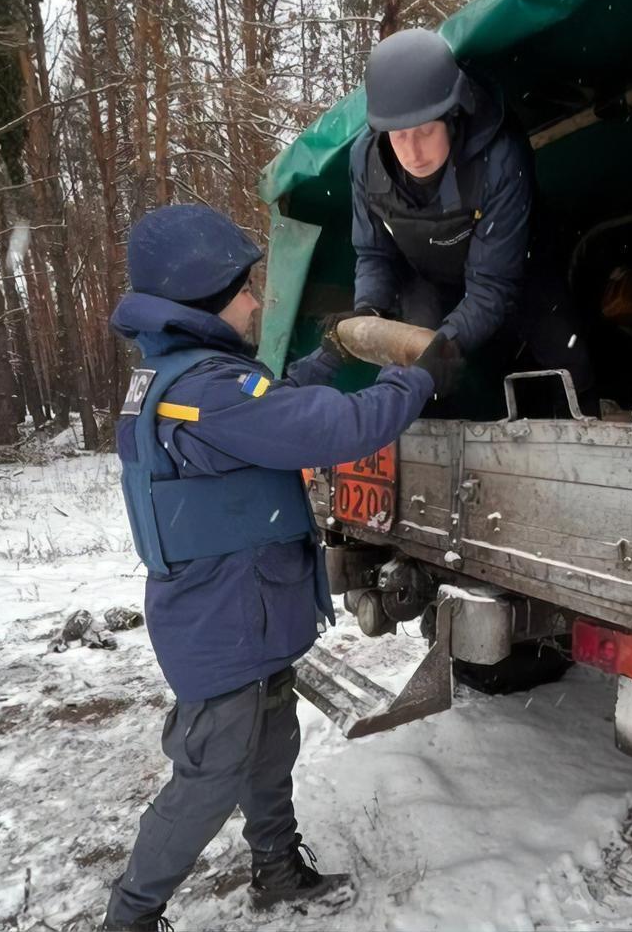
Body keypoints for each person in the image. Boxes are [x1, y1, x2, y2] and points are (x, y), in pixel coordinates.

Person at [101, 204, 458, 931]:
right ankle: (130, 915)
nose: (258, 301)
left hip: (239, 607)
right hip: (224, 617)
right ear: (200, 297)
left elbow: (261, 405)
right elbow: (337, 427)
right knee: (210, 774)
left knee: (271, 741)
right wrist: (416, 377)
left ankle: (276, 867)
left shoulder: (181, 377)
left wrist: (323, 361)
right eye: (243, 289)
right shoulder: (205, 393)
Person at [325, 27, 593, 415]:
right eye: (399, 136)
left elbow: (491, 285)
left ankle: (579, 440)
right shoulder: (365, 163)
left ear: (453, 114)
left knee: (568, 356)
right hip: (426, 277)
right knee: (418, 370)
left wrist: (449, 339)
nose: (413, 153)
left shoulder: (498, 157)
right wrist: (369, 311)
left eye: (426, 131)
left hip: (516, 273)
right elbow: (373, 253)